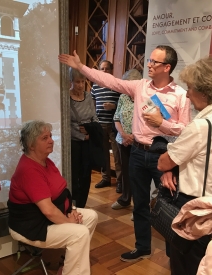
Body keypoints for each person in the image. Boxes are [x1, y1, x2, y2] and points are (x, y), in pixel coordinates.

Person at [58, 45, 191, 262]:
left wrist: (163, 124)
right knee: (139, 203)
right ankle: (142, 247)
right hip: (138, 153)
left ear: (167, 67)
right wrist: (81, 66)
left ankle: (173, 255)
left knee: (169, 206)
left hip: (164, 156)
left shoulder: (180, 95)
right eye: (149, 60)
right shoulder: (140, 87)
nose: (148, 64)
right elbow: (110, 81)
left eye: (154, 62)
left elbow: (185, 130)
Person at [157, 55, 212, 275]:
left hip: (191, 205)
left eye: (191, 88)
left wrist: (168, 166)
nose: (188, 94)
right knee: (201, 270)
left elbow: (164, 161)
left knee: (183, 272)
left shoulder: (203, 125)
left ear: (205, 90)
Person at [8, 120, 98, 275]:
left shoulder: (45, 161)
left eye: (50, 136)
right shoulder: (29, 170)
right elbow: (48, 210)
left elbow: (62, 191)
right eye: (45, 138)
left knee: (91, 216)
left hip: (46, 217)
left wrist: (71, 210)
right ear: (31, 145)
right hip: (32, 225)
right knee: (79, 232)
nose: (51, 140)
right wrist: (69, 221)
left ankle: (66, 267)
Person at [111, 69, 142, 210]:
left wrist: (133, 137)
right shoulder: (123, 97)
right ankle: (125, 199)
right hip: (122, 140)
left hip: (139, 142)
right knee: (125, 171)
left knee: (137, 174)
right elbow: (116, 117)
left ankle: (138, 206)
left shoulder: (145, 98)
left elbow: (150, 121)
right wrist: (123, 134)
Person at [69, 67, 99, 208]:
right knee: (74, 176)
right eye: (77, 82)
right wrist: (81, 136)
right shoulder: (66, 98)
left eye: (83, 81)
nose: (80, 85)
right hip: (73, 144)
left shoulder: (88, 97)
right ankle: (73, 204)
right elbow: (66, 125)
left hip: (89, 143)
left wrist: (90, 132)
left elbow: (94, 118)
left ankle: (82, 205)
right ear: (71, 81)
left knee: (86, 175)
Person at [91, 60, 122, 193]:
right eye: (102, 69)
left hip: (115, 125)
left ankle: (120, 181)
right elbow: (92, 103)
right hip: (100, 124)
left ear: (111, 70)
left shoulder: (116, 84)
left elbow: (123, 104)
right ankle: (106, 178)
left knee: (117, 154)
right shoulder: (95, 86)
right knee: (103, 153)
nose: (104, 71)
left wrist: (113, 106)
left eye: (107, 69)